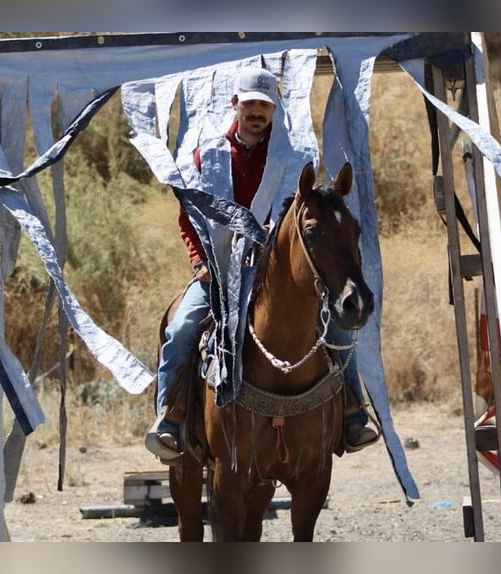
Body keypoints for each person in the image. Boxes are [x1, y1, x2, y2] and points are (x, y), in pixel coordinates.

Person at [145, 67, 379, 461]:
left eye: (264, 105)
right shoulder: (210, 155)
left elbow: (306, 217)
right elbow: (190, 216)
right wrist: (200, 260)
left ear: (274, 110)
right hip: (219, 269)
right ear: (235, 104)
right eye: (250, 103)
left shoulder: (294, 159)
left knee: (337, 322)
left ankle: (353, 412)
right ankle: (170, 417)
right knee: (183, 325)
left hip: (276, 272)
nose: (257, 111)